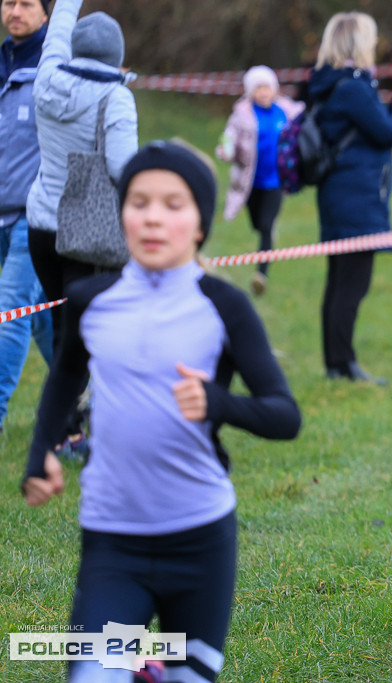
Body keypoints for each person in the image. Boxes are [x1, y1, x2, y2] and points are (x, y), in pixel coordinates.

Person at [22, 141, 302, 683]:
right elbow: (63, 381)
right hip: (112, 543)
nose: (153, 217)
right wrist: (39, 456)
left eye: (173, 205)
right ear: (121, 213)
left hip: (199, 542)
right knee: (93, 676)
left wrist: (216, 402)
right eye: (139, 202)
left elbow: (284, 416)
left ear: (199, 223)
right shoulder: (90, 300)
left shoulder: (224, 305)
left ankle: (151, 669)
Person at [26, 0, 137, 454]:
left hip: (41, 227)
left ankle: (68, 428)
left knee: (61, 325)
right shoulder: (117, 98)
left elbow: (55, 35)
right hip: (86, 233)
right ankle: (74, 427)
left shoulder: (46, 79)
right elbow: (123, 167)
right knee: (87, 333)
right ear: (116, 58)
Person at [308, 11, 392, 385]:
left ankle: (337, 364)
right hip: (355, 199)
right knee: (351, 284)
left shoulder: (335, 84)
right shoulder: (352, 88)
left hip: (341, 195)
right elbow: (386, 132)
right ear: (359, 44)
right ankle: (344, 366)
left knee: (340, 281)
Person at [0, 0, 53, 435]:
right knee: (39, 318)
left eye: (25, 3)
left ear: (46, 13)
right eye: (7, 2)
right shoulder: (3, 62)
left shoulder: (55, 69)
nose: (14, 10)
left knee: (10, 312)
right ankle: (88, 396)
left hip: (33, 217)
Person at [216, 65, 303, 297]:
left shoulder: (287, 111)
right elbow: (229, 137)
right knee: (257, 223)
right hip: (250, 181)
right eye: (259, 88)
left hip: (277, 180)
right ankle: (265, 234)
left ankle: (261, 274)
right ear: (250, 92)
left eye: (268, 87)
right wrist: (226, 151)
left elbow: (305, 123)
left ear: (275, 89)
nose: (264, 93)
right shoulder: (242, 115)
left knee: (266, 225)